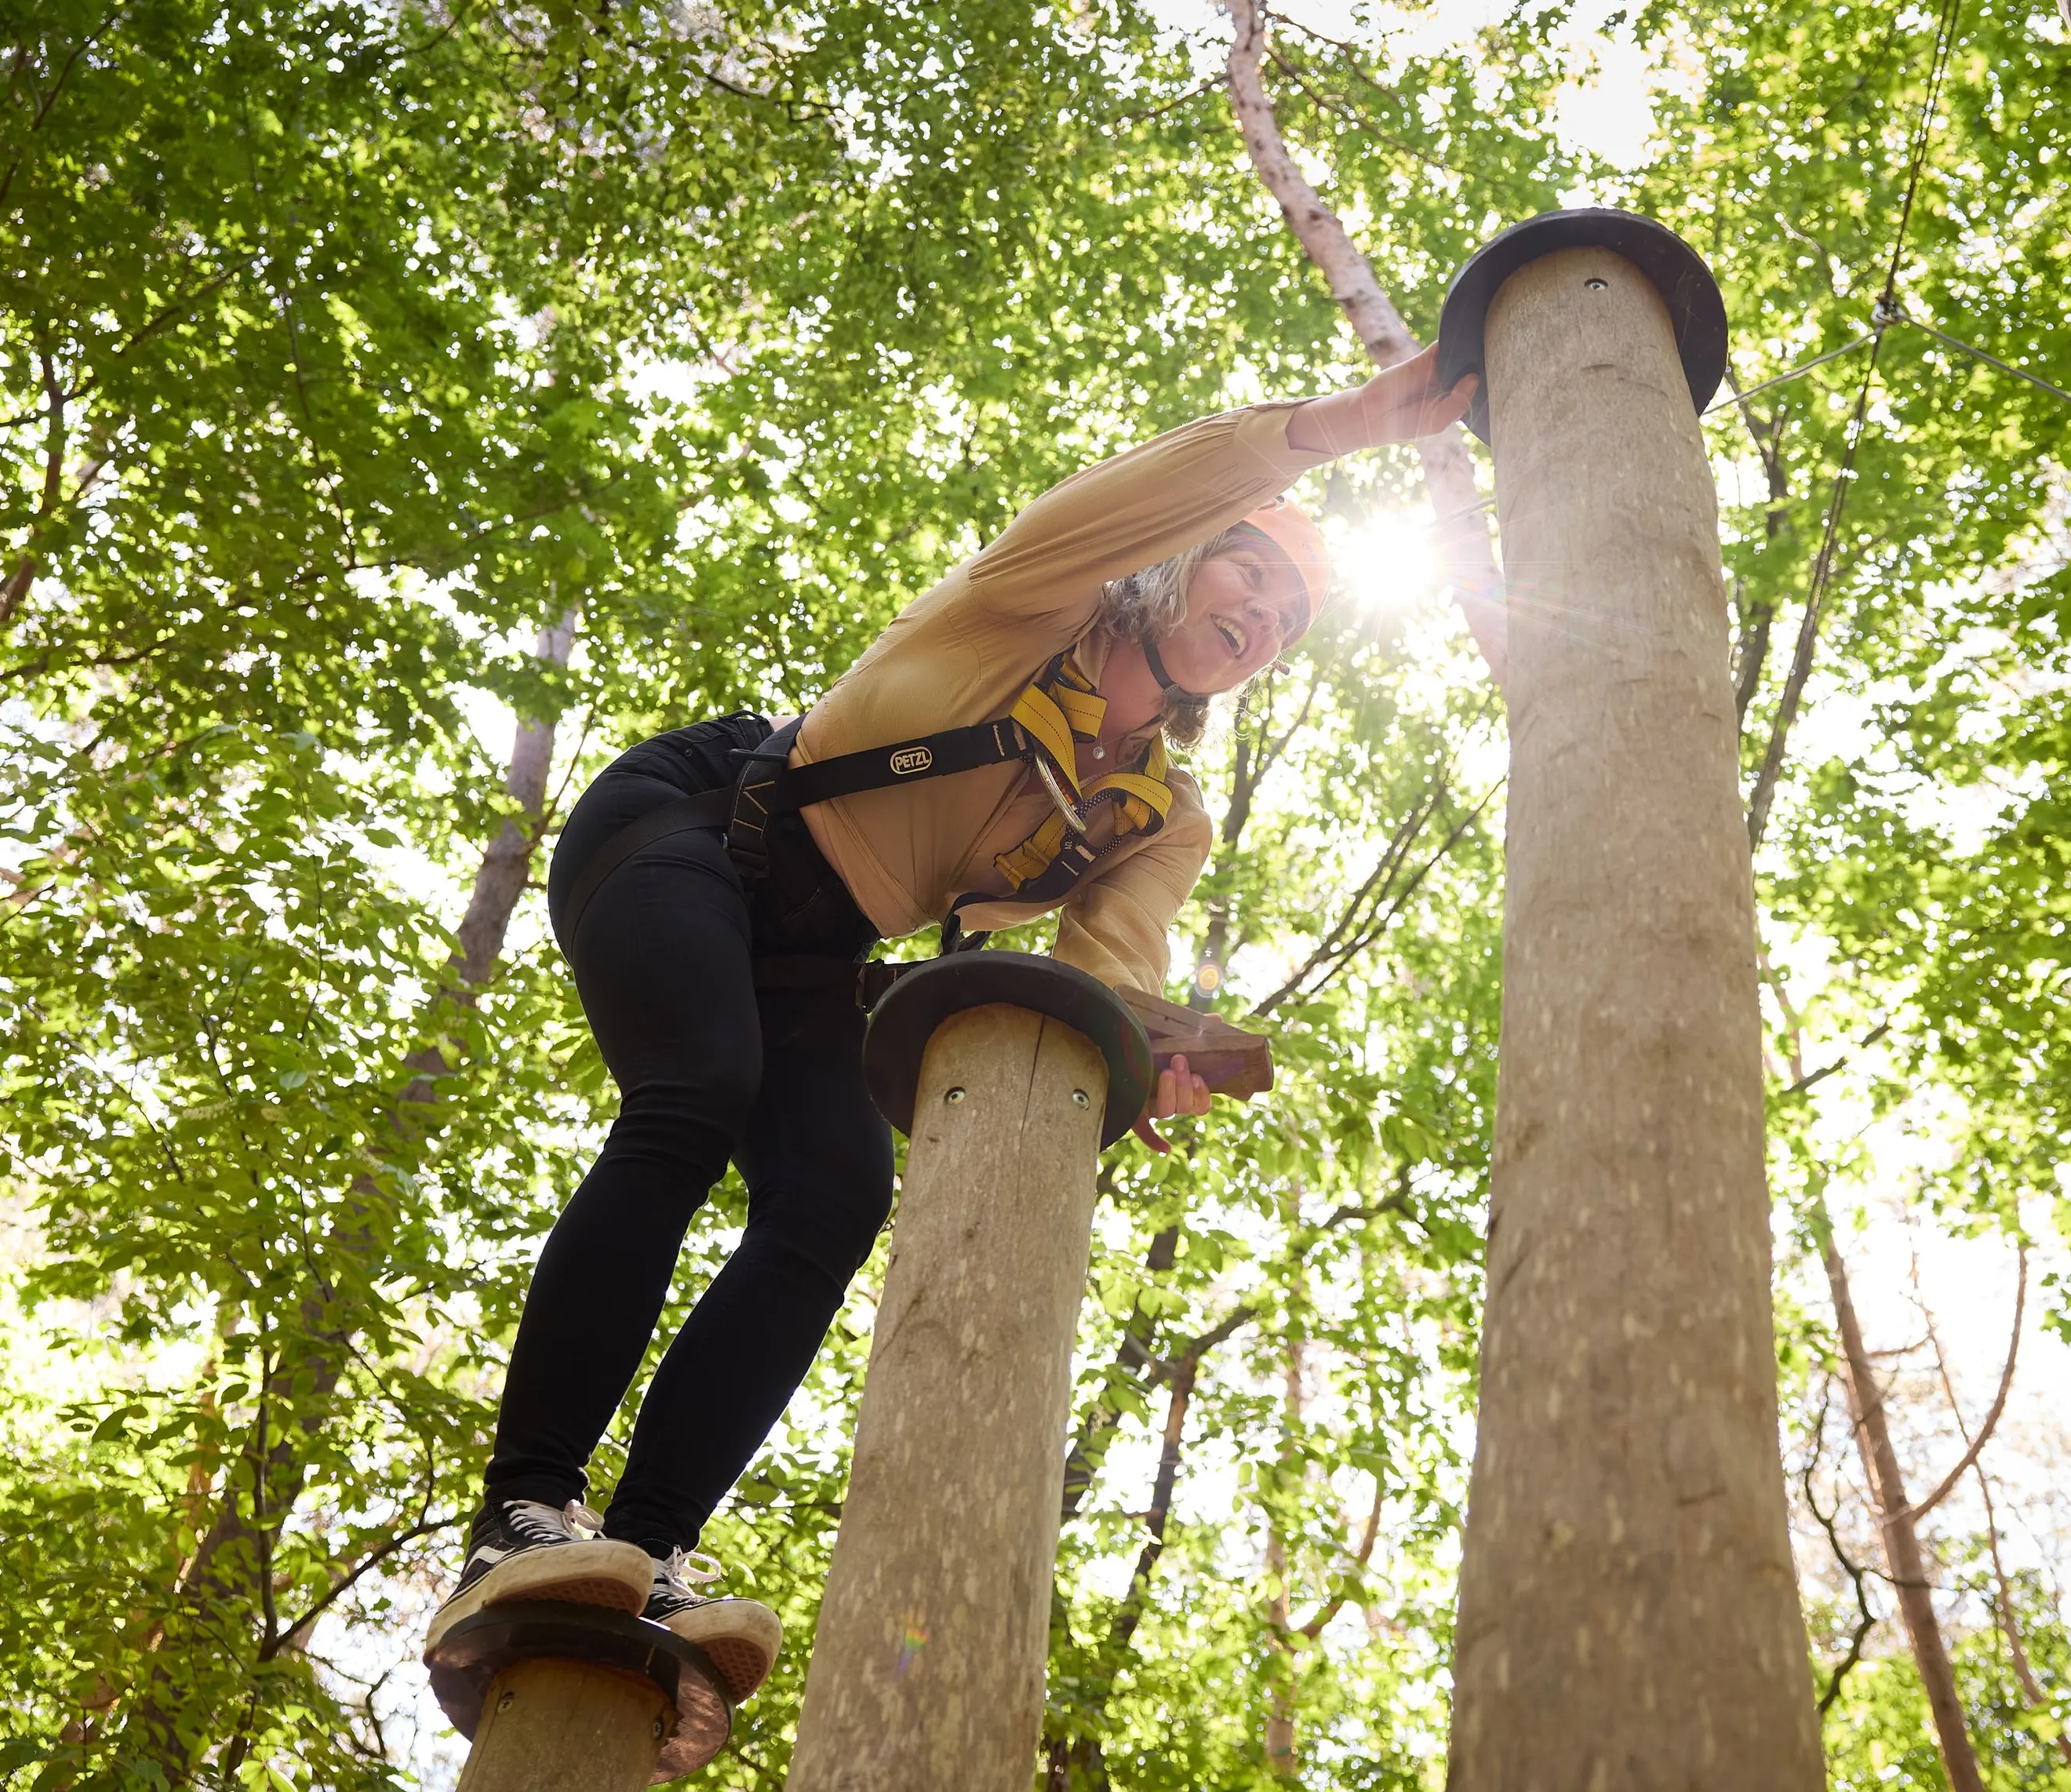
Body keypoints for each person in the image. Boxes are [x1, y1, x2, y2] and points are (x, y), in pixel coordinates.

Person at [426, 347, 1478, 1703]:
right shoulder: (1031, 607)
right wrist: (1339, 429)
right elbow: (1164, 482)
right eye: (1251, 576)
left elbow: (1107, 971)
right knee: (692, 1096)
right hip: (699, 830)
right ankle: (522, 1510)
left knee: (833, 1195)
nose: (1267, 616)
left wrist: (1145, 1059)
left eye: (1292, 618)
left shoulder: (1161, 813)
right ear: (1177, 562)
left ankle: (647, 1545)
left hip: (818, 952)